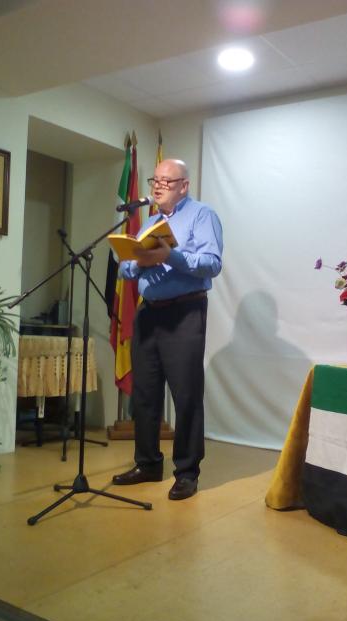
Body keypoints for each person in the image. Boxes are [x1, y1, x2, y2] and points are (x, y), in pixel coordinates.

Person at [112, 158, 223, 500]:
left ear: (184, 186)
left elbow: (212, 263)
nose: (158, 186)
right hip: (148, 313)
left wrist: (168, 256)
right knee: (144, 393)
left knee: (185, 394)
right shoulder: (151, 222)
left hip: (184, 311)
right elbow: (126, 270)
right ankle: (147, 463)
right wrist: (136, 261)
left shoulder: (202, 215)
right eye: (155, 180)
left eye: (166, 181)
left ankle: (187, 473)